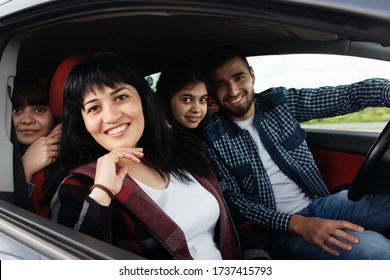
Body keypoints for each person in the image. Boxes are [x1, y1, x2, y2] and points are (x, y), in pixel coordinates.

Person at [48, 52, 266, 260]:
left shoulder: (187, 149)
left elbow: (238, 223)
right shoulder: (77, 187)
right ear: (84, 124)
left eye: (121, 97)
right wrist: (101, 193)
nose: (112, 116)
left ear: (143, 100)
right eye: (94, 108)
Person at [200, 45, 390, 260]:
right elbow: (236, 205)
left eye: (239, 77)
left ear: (252, 75)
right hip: (276, 231)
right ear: (211, 90)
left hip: (317, 204)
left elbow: (349, 95)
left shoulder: (279, 103)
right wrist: (297, 224)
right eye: (221, 84)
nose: (233, 91)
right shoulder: (210, 137)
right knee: (377, 251)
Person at [156, 62, 270, 259]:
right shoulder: (161, 148)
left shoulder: (195, 140)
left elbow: (225, 197)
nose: (197, 109)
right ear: (166, 100)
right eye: (186, 99)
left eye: (202, 100)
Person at [11, 72, 62, 217]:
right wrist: (24, 169)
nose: (26, 120)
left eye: (39, 110)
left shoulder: (71, 156)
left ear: (55, 113)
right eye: (17, 110)